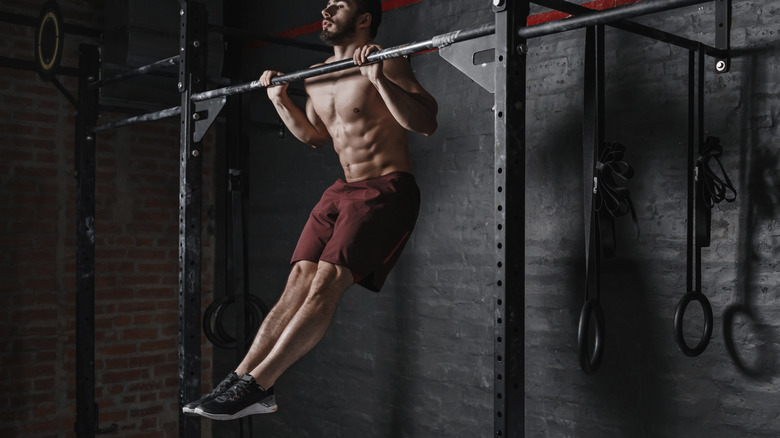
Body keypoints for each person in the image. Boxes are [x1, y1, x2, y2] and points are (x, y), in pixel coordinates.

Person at [182, 0, 438, 421]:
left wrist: (379, 80)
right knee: (298, 279)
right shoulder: (316, 77)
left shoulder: (386, 61)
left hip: (387, 188)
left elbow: (425, 123)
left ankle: (260, 383)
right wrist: (281, 100)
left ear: (364, 18)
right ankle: (243, 379)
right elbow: (317, 137)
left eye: (338, 4)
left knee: (326, 281)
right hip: (343, 188)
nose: (326, 8)